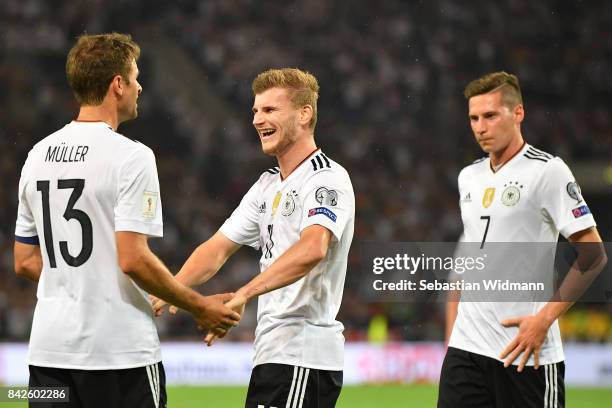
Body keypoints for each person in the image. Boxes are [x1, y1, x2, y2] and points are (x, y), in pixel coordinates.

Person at [13, 32, 240, 408]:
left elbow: (23, 261)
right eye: (135, 77)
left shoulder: (36, 156)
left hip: (46, 359)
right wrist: (199, 306)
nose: (140, 86)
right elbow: (132, 259)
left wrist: (81, 282)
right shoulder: (132, 157)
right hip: (119, 356)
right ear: (117, 85)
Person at [154, 68, 355, 407]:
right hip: (275, 354)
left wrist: (243, 293)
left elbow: (313, 248)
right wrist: (169, 291)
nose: (257, 120)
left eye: (270, 110)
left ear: (304, 114)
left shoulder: (326, 179)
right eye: (255, 111)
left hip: (302, 354)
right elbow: (218, 248)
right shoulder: (267, 184)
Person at [438, 71, 607, 408]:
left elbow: (594, 255)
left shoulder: (548, 171)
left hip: (526, 353)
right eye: (473, 118)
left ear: (518, 114)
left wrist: (543, 320)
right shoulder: (467, 177)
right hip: (466, 350)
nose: (480, 127)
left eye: (490, 116)